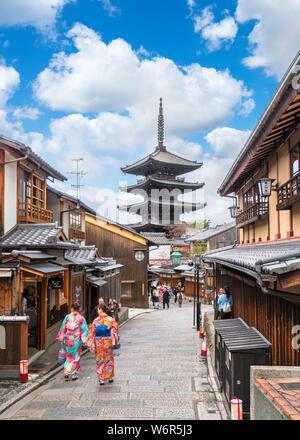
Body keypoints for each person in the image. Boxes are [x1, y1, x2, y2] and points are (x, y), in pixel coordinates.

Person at [86, 303, 119, 386]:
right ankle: (109, 376)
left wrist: (90, 342)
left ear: (100, 309)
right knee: (109, 358)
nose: (97, 311)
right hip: (108, 342)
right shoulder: (110, 319)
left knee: (100, 359)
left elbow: (92, 332)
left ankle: (101, 379)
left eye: (98, 309)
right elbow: (115, 328)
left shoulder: (96, 320)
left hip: (99, 342)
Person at [56, 302, 88, 381]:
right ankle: (73, 374)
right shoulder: (81, 318)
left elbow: (63, 328)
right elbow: (84, 330)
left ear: (72, 308)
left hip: (68, 339)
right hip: (76, 339)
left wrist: (62, 338)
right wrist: (85, 340)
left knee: (69, 356)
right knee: (75, 356)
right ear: (78, 309)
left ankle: (67, 372)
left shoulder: (67, 317)